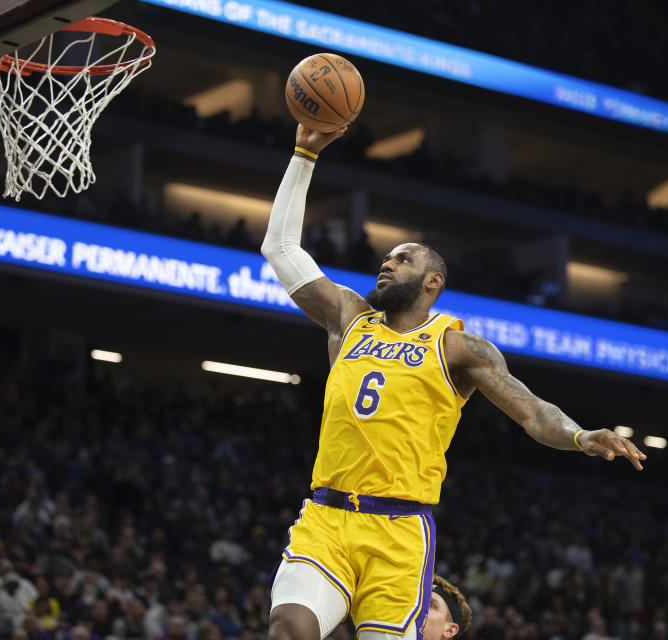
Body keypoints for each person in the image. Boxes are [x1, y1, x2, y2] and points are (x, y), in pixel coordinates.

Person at [261, 125, 646, 640]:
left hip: (399, 533)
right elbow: (281, 248)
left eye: (402, 259)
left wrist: (580, 436)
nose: (386, 262)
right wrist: (305, 153)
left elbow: (532, 412)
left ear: (432, 282)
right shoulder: (349, 317)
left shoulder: (459, 348)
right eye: (387, 256)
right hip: (326, 518)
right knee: (289, 628)